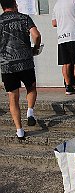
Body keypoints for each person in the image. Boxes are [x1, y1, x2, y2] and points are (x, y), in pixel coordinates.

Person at [0, 0, 41, 140]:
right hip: (25, 62)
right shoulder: (24, 18)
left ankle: (19, 131)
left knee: (13, 98)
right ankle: (30, 112)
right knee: (31, 87)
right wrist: (35, 49)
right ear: (15, 4)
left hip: (7, 65)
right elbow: (36, 35)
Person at [52, 0, 75, 96]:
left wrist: (63, 21)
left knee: (65, 63)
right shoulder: (74, 1)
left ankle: (68, 87)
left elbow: (54, 23)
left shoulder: (56, 5)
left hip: (61, 37)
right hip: (73, 35)